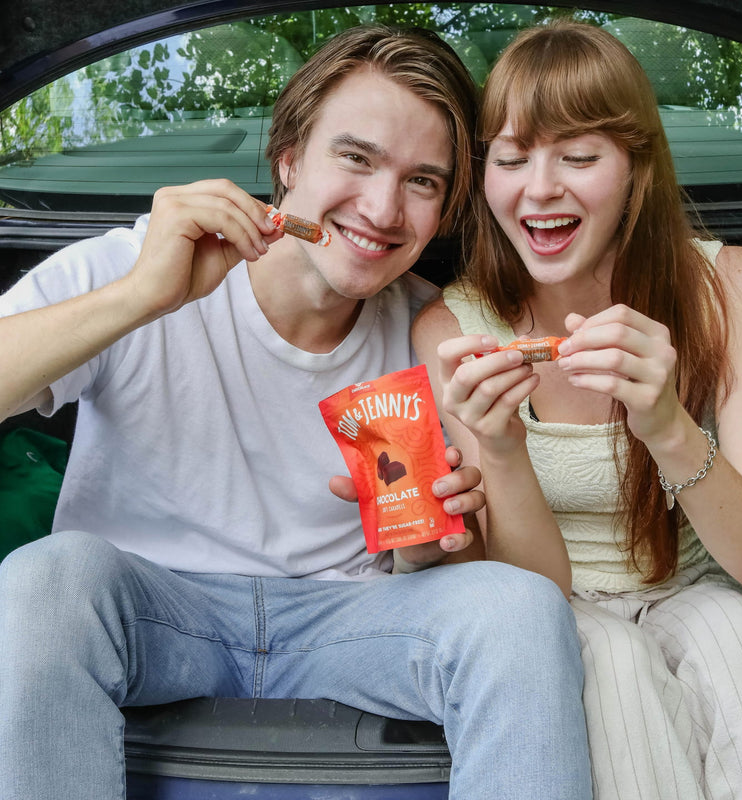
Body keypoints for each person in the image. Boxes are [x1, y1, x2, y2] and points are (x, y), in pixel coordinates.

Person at [0, 25, 591, 800]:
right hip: (154, 612)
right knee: (44, 579)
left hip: (350, 621)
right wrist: (141, 299)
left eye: (422, 180)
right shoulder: (135, 266)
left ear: (445, 208)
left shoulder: (432, 330)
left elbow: (468, 562)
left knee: (517, 610)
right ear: (287, 159)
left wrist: (424, 550)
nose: (381, 208)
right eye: (356, 157)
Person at [412, 20, 742, 800]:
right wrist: (504, 449)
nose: (539, 188)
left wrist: (666, 425)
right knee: (611, 668)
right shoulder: (452, 330)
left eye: (579, 157)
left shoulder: (731, 289)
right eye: (512, 159)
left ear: (637, 170)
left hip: (708, 594)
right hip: (557, 612)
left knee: (736, 640)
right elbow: (526, 602)